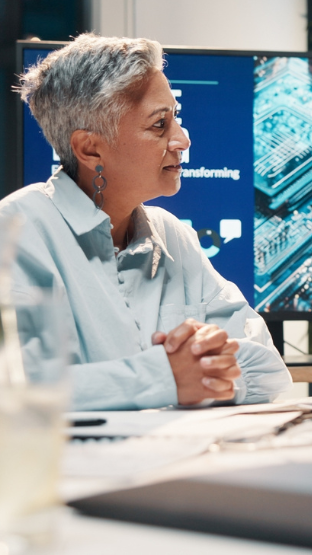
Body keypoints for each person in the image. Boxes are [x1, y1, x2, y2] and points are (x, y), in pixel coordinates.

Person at [0, 34, 292, 410]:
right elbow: (16, 391)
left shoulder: (173, 235)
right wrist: (166, 378)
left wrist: (197, 374)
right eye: (160, 125)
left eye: (176, 119)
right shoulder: (17, 231)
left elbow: (268, 369)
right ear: (90, 148)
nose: (183, 140)